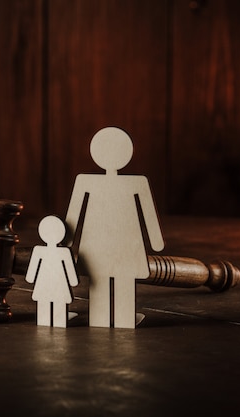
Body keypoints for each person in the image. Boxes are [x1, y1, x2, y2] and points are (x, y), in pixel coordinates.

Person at [64, 127, 164, 328]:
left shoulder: (88, 181)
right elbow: (149, 214)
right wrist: (156, 242)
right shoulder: (134, 182)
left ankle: (106, 319)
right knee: (111, 279)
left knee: (102, 279)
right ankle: (122, 319)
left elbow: (73, 214)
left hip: (104, 244)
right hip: (121, 243)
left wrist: (66, 241)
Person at [25, 215, 79, 328]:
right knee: (57, 301)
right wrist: (73, 281)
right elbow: (71, 273)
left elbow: (30, 275)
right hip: (59, 285)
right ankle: (56, 320)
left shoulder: (39, 250)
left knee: (45, 302)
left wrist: (30, 278)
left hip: (43, 284)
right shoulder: (63, 252)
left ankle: (48, 319)